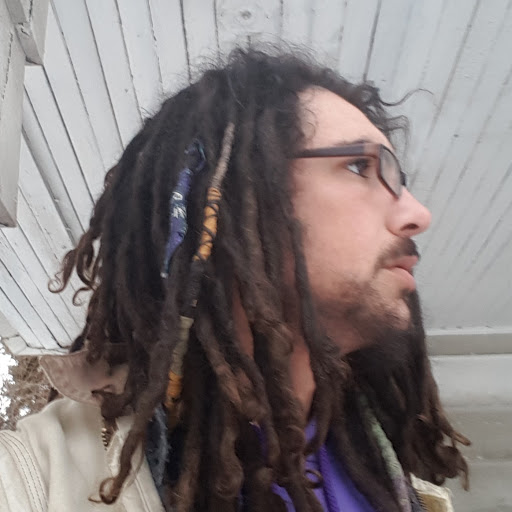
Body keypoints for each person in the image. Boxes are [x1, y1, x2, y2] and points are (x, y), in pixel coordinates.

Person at [0, 48, 469, 512]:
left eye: (399, 179)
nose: (417, 214)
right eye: (360, 166)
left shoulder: (391, 471)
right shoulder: (33, 482)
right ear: (231, 203)